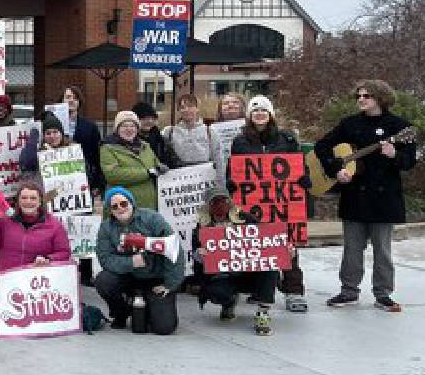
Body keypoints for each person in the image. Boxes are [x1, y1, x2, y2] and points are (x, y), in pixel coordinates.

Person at [315, 79, 418, 312]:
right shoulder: (349, 124)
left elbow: (410, 161)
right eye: (359, 96)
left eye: (367, 96)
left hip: (384, 197)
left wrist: (394, 155)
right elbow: (322, 146)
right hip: (354, 195)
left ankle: (383, 294)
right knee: (352, 248)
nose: (361, 99)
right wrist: (336, 170)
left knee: (382, 249)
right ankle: (348, 291)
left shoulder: (399, 127)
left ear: (380, 98)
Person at [229, 95, 309, 313]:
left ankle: (294, 292)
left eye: (264, 110)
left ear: (271, 114)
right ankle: (260, 291)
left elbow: (298, 164)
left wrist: (303, 178)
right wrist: (232, 183)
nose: (260, 114)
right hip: (254, 205)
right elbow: (234, 168)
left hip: (282, 203)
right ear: (249, 116)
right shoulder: (240, 141)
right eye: (255, 111)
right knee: (256, 245)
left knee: (287, 245)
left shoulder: (287, 139)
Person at [94, 186, 182, 334]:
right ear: (110, 210)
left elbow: (175, 249)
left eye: (124, 203)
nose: (120, 209)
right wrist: (131, 262)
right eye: (115, 206)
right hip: (128, 276)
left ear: (131, 203)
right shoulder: (106, 228)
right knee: (103, 280)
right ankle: (121, 312)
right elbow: (105, 259)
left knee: (164, 328)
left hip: (154, 277)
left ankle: (148, 308)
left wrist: (170, 284)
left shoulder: (152, 219)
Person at [191, 184, 277, 335]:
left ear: (229, 202)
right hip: (222, 276)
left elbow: (267, 240)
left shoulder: (245, 219)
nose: (219, 205)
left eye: (223, 200)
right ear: (208, 206)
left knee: (269, 266)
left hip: (247, 272)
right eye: (214, 202)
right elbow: (196, 258)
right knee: (218, 292)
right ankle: (228, 302)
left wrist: (286, 249)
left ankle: (263, 311)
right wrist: (199, 256)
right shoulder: (201, 227)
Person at [0, 179, 71, 274]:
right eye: (24, 198)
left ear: (40, 201)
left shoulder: (54, 225)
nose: (28, 202)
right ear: (18, 201)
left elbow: (64, 253)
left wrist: (48, 259)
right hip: (7, 278)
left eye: (33, 198)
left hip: (36, 280)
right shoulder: (5, 219)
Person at [100, 111, 164, 211]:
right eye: (124, 126)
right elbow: (113, 174)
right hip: (122, 208)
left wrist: (162, 168)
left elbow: (155, 164)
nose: (129, 129)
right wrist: (147, 173)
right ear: (117, 129)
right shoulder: (108, 148)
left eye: (133, 126)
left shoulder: (145, 146)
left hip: (149, 208)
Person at [62, 85, 105, 194]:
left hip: (83, 179)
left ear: (79, 102)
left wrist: (96, 183)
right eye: (68, 97)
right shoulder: (51, 125)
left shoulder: (90, 127)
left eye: (75, 98)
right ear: (62, 100)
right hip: (58, 178)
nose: (71, 100)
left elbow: (97, 156)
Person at [161, 93, 219, 169]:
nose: (186, 110)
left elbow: (218, 157)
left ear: (197, 108)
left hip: (204, 175)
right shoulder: (168, 132)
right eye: (182, 107)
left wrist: (219, 179)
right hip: (178, 175)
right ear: (179, 110)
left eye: (190, 106)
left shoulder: (210, 131)